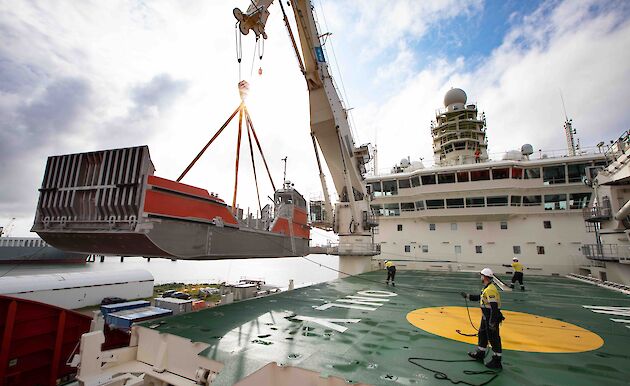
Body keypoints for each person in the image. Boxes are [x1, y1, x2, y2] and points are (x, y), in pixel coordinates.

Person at [460, 268, 504, 369]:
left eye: (481, 276)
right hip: (485, 317)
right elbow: (480, 297)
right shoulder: (486, 288)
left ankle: (497, 361)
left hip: (490, 317)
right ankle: (480, 353)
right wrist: (467, 296)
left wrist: (492, 322)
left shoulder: (490, 290)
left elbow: (494, 307)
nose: (481, 277)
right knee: (482, 335)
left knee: (494, 339)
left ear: (484, 277)